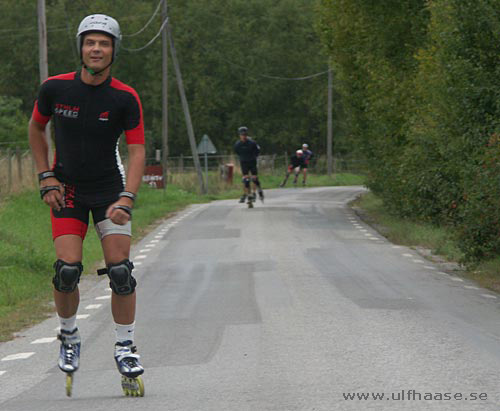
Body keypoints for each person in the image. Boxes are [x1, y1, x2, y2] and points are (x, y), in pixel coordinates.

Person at [28, 14, 145, 389]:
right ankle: (69, 336)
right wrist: (46, 175)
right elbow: (35, 128)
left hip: (110, 190)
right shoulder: (55, 89)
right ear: (80, 47)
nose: (96, 49)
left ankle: (125, 346)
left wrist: (128, 196)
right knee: (66, 271)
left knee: (121, 274)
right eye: (90, 42)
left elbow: (138, 150)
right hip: (69, 192)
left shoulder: (125, 97)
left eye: (104, 43)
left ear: (114, 50)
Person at [234, 126, 264, 203]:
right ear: (239, 135)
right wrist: (243, 158)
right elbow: (237, 152)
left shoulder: (252, 143)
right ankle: (248, 194)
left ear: (246, 135)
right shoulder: (238, 144)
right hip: (244, 162)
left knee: (254, 178)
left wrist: (253, 157)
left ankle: (257, 191)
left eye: (245, 135)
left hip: (252, 161)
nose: (243, 136)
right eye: (242, 135)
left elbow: (257, 151)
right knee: (246, 179)